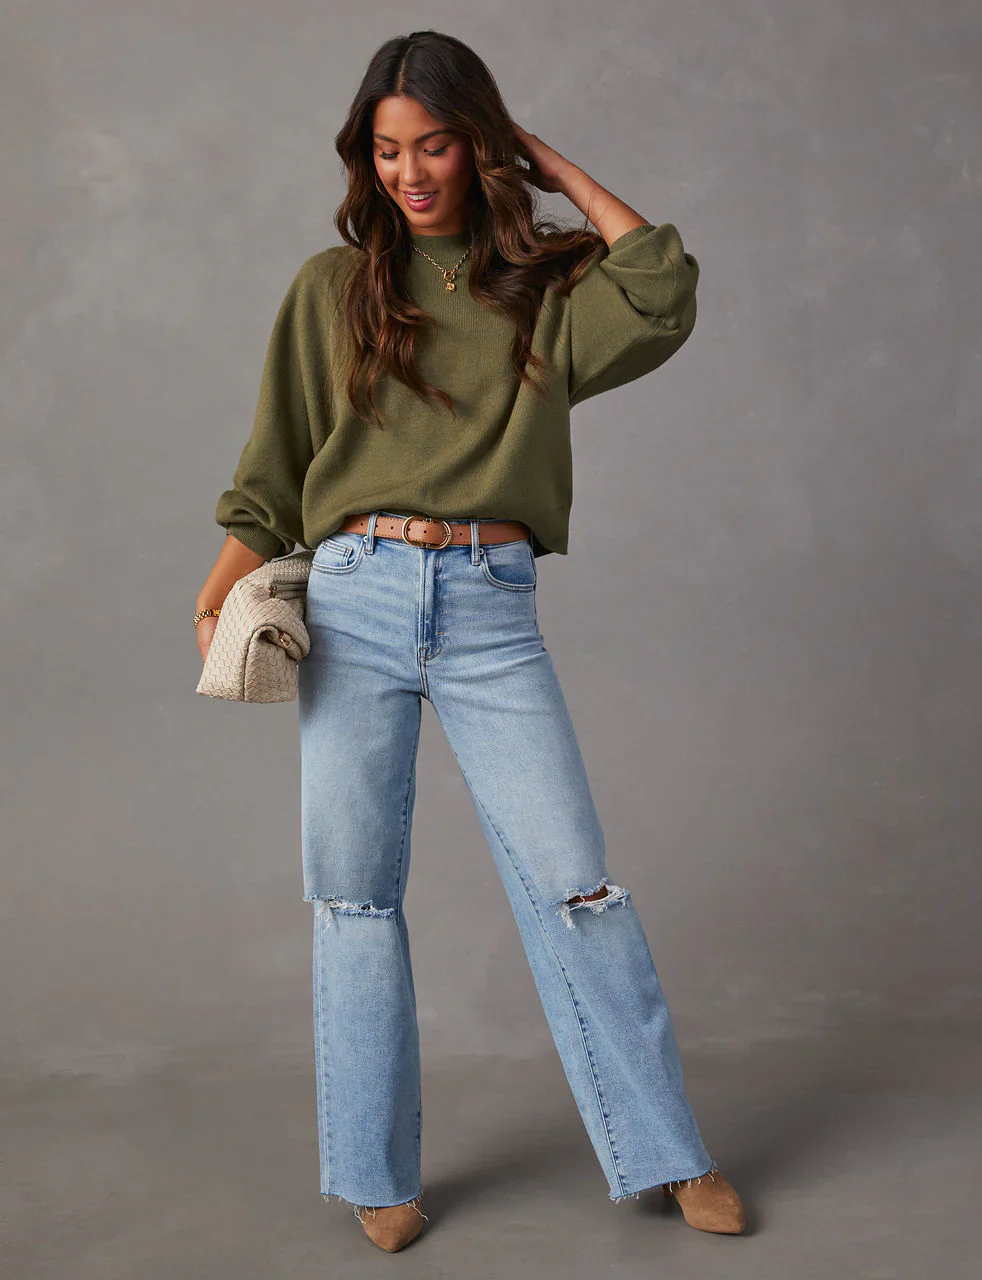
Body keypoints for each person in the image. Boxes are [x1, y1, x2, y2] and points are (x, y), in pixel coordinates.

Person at [195, 28, 746, 1255]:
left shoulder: (540, 293)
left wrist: (553, 167)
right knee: (352, 894)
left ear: (479, 145)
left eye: (436, 144)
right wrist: (224, 578)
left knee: (576, 883)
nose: (410, 171)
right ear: (365, 157)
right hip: (353, 597)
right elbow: (276, 464)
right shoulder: (330, 290)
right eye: (388, 150)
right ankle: (373, 1172)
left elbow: (660, 287)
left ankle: (668, 1150)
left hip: (491, 605)